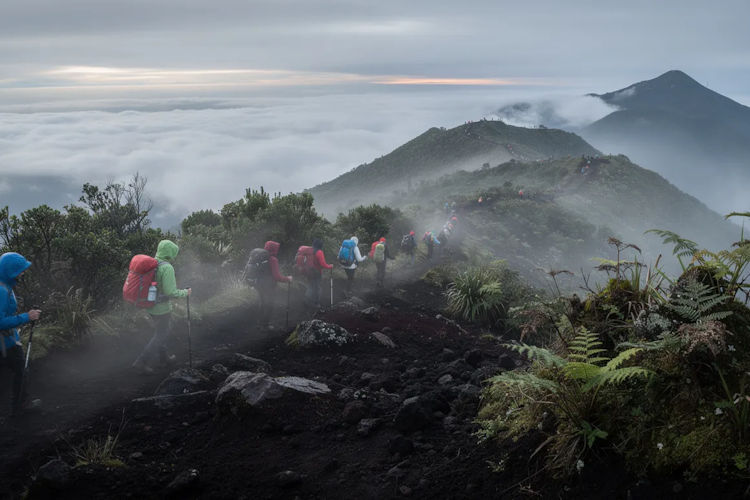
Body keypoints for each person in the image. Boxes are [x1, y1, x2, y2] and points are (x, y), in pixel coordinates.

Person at [132, 240, 190, 374]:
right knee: (161, 334)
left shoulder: (152, 263)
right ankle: (141, 362)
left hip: (150, 305)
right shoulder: (167, 267)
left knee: (161, 331)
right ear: (170, 253)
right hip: (161, 308)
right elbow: (171, 292)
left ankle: (164, 358)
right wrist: (186, 293)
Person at [0, 252, 42, 415]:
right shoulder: (2, 290)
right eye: (20, 270)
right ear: (10, 271)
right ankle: (20, 406)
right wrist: (27, 316)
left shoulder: (5, 285)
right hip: (5, 343)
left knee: (19, 369)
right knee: (21, 369)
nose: (23, 273)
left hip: (7, 339)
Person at [251, 241, 292, 330]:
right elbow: (277, 277)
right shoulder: (273, 259)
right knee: (269, 304)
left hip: (258, 284)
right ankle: (265, 325)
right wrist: (287, 279)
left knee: (262, 303)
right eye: (276, 248)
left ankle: (260, 323)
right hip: (268, 286)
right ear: (274, 249)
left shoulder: (258, 257)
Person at [306, 238, 333, 308]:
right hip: (316, 272)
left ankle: (307, 301)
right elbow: (323, 264)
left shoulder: (310, 251)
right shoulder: (319, 252)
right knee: (317, 288)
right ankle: (316, 303)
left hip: (309, 271)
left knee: (310, 286)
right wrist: (330, 266)